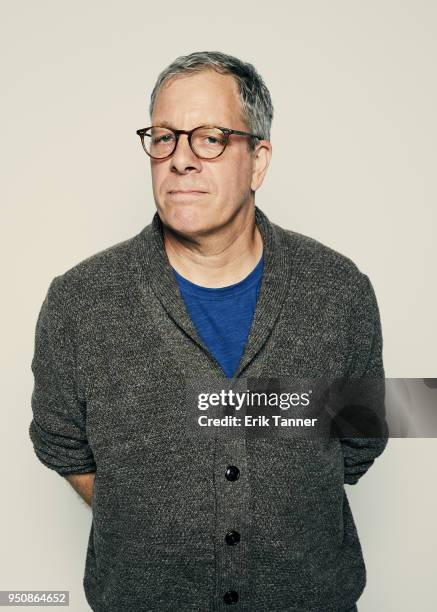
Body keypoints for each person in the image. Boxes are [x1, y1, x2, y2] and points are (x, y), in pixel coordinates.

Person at [29, 50, 387, 612]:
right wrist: (147, 519)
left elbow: (360, 440)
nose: (181, 160)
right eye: (165, 137)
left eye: (210, 138)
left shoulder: (339, 290)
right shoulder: (79, 302)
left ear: (259, 160)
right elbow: (62, 444)